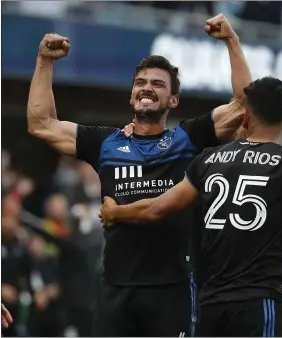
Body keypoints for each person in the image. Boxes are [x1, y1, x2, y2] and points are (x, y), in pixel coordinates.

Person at [27, 13, 253, 337]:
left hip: (172, 289)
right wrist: (44, 61)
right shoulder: (104, 142)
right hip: (116, 289)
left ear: (173, 100)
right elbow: (41, 123)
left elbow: (244, 103)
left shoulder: (187, 139)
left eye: (158, 84)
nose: (147, 88)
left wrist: (231, 40)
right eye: (141, 83)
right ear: (132, 94)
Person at [99, 77, 282, 337]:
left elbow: (156, 209)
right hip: (259, 303)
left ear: (245, 117)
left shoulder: (207, 160)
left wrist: (116, 212)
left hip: (209, 304)